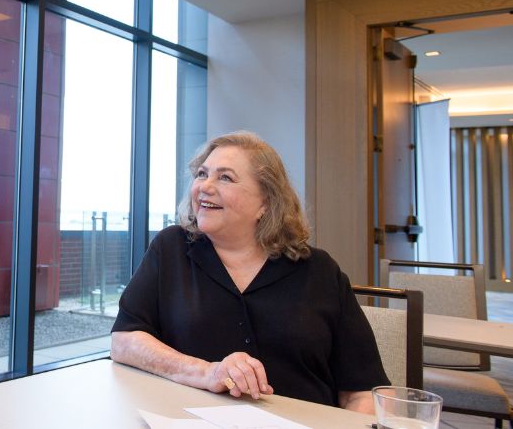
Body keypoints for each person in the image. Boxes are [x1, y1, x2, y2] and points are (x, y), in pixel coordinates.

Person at [110, 131, 387, 414]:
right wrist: (207, 372)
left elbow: (363, 392)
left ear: (266, 202)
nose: (204, 186)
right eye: (202, 174)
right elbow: (124, 340)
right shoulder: (170, 248)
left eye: (225, 177)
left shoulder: (320, 271)